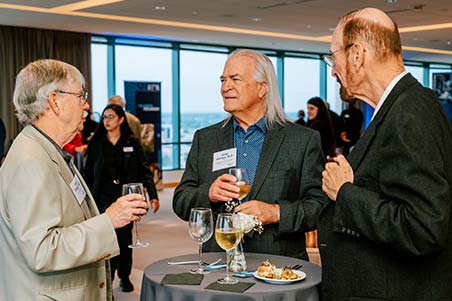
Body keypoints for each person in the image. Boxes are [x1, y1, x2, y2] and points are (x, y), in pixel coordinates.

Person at [319, 8, 452, 300]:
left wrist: (344, 192)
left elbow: (424, 228)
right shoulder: (405, 105)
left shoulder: (409, 113)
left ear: (357, 54)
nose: (332, 69)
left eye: (334, 55)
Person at [0, 59, 148, 300]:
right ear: (55, 101)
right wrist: (108, 221)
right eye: (81, 96)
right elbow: (42, 251)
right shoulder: (31, 161)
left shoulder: (47, 151)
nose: (87, 105)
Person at [173, 49, 326, 260]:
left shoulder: (302, 140)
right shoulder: (205, 139)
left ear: (262, 88)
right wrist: (208, 193)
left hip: (279, 268)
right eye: (223, 80)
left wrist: (275, 212)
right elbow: (180, 200)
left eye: (235, 79)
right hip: (219, 265)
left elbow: (319, 206)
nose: (225, 87)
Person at [84, 104, 160, 293]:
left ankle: (124, 276)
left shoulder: (132, 141)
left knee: (125, 239)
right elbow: (87, 174)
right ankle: (107, 277)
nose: (106, 121)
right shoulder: (97, 143)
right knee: (106, 237)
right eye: (104, 117)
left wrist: (153, 195)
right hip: (103, 198)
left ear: (120, 119)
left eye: (111, 117)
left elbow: (144, 169)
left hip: (126, 198)